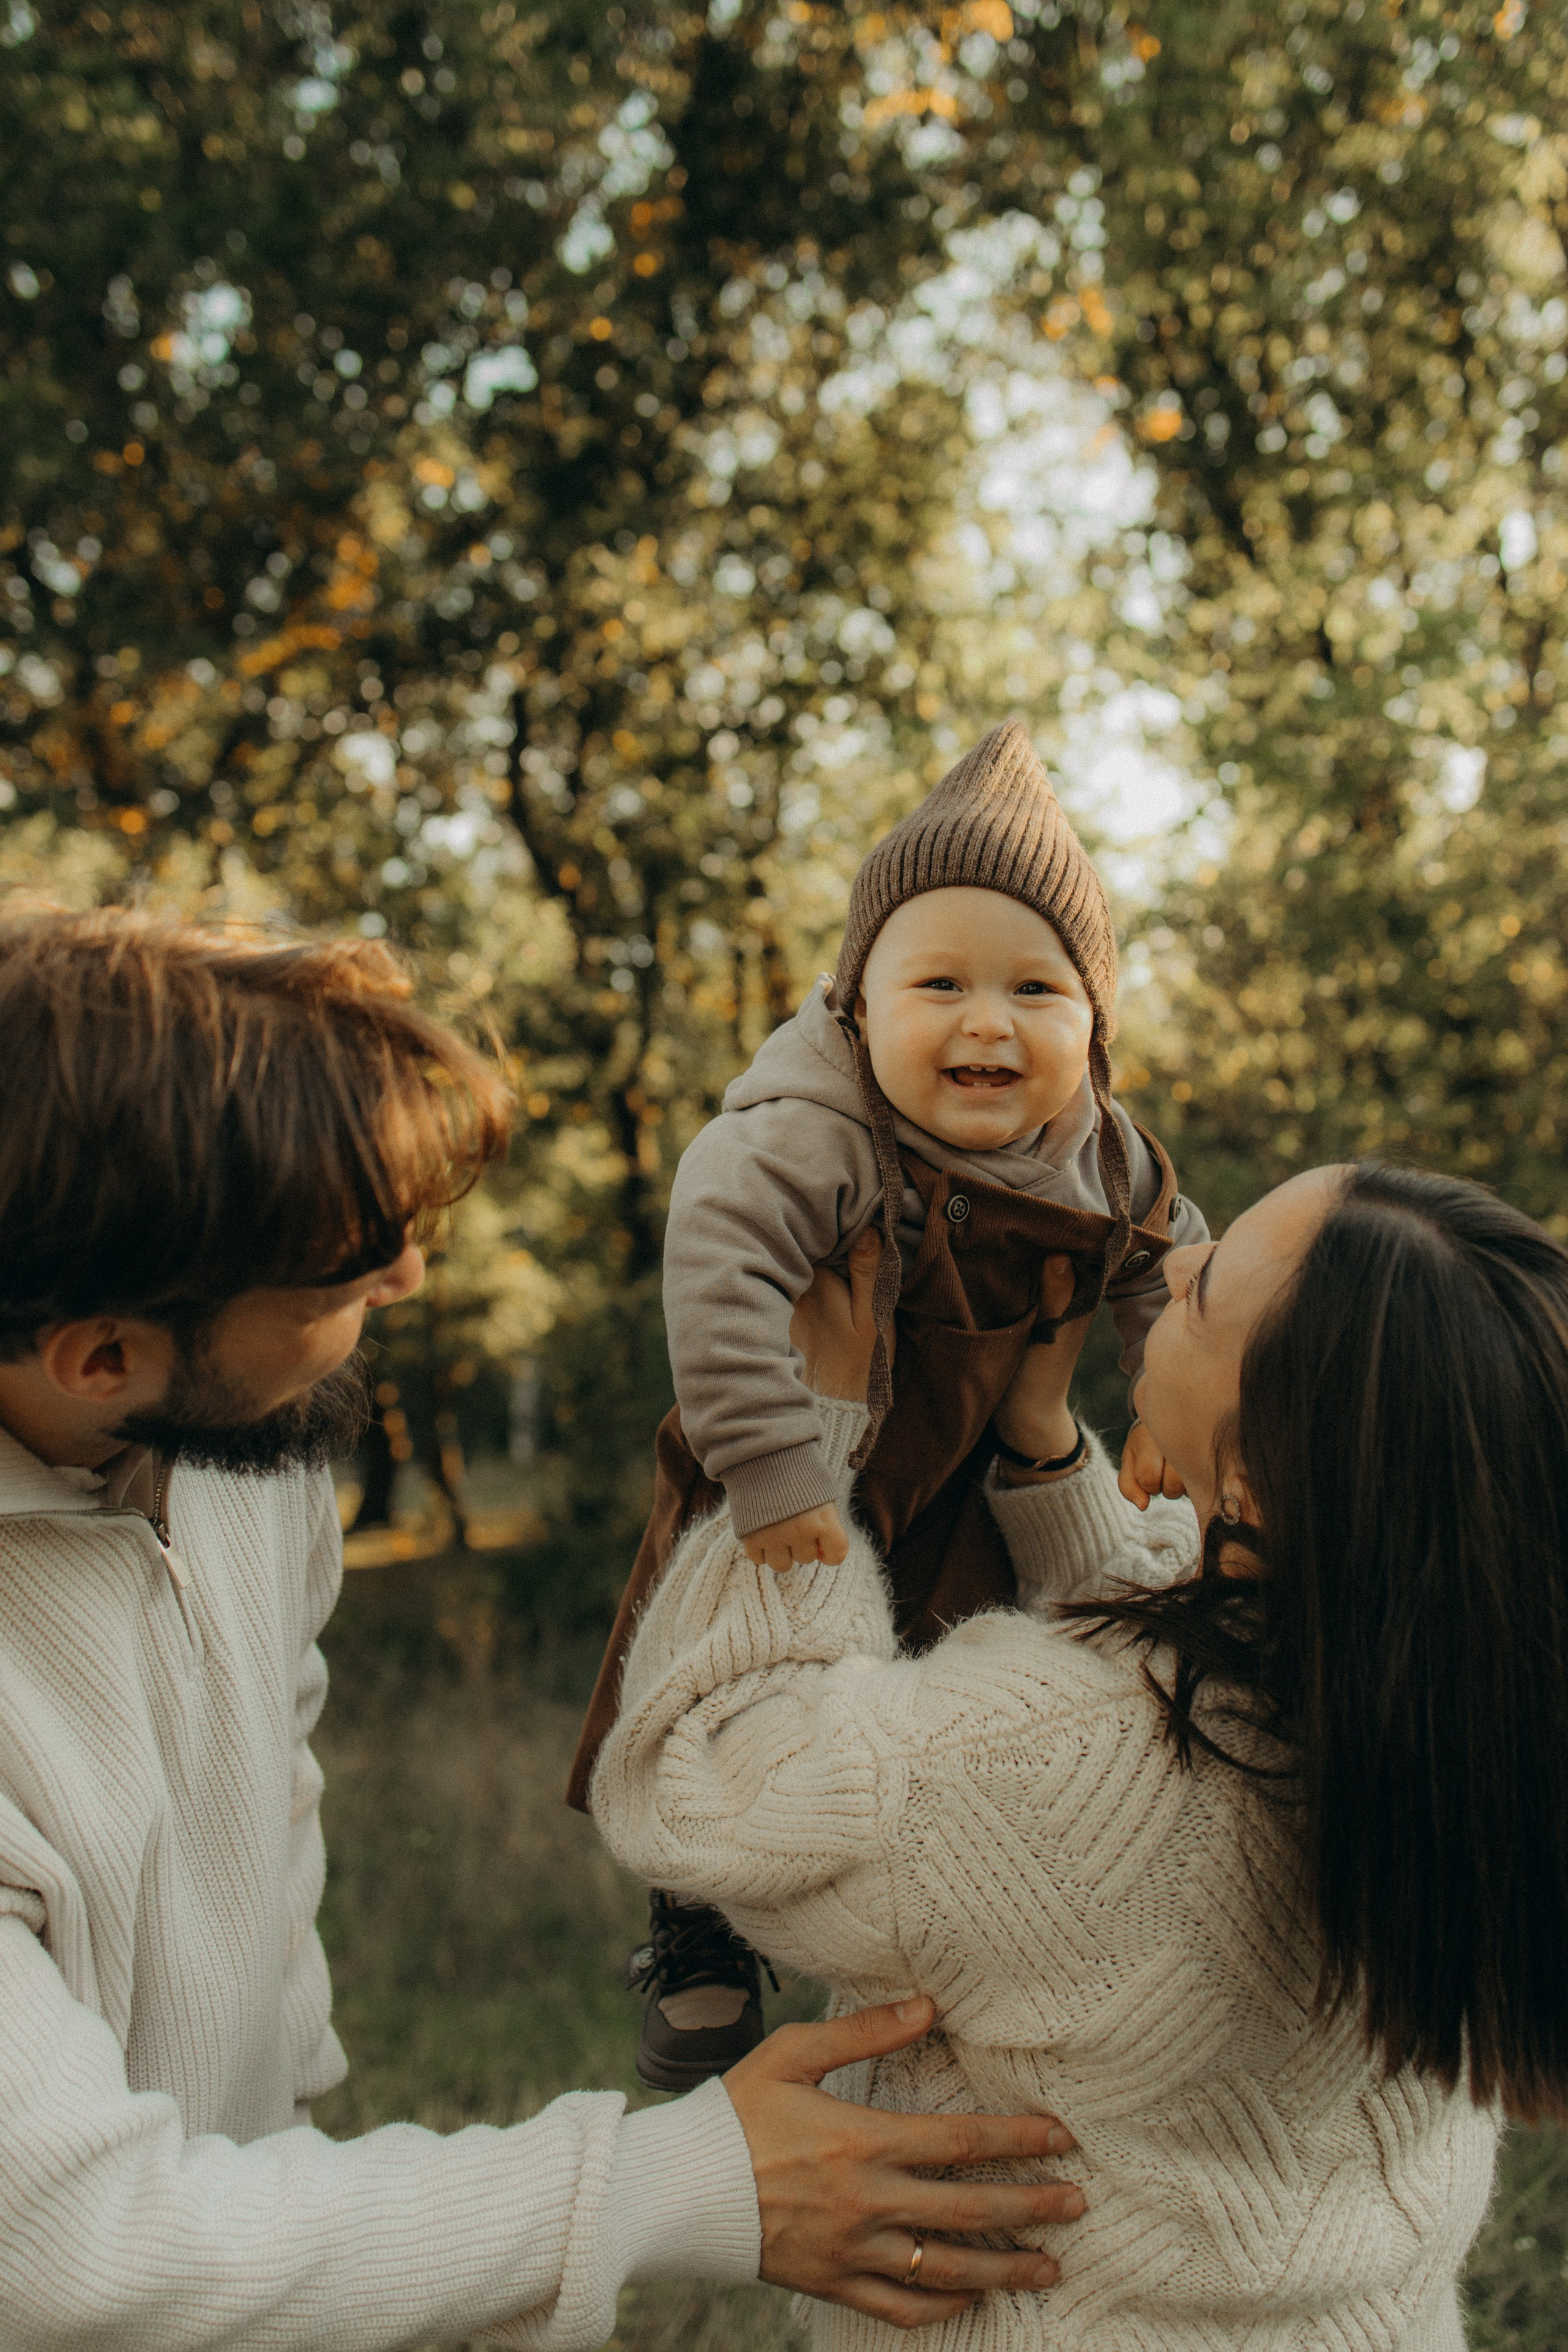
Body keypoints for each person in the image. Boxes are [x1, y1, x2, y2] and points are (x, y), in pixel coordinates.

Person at [0, 907, 1088, 2350]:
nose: (408, 1282)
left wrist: (291, 2136)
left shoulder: (241, 1458)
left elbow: (268, 1785)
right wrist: (685, 2178)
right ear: (104, 1357)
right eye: (348, 1270)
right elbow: (67, 2253)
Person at [592, 1160, 1568, 2348]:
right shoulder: (1474, 1715)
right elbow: (1183, 1611)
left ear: (1257, 1469)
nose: (1174, 1262)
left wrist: (801, 1432)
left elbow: (712, 1774)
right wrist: (1048, 1451)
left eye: (1205, 1295)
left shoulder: (1049, 1763)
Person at [568, 719, 1207, 2090]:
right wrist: (774, 1470)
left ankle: (930, 1930)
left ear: (1095, 1026)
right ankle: (695, 1923)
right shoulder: (813, 1126)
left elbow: (1169, 1267)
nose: (988, 1022)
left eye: (1038, 989)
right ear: (858, 1007)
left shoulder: (1099, 1149)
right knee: (725, 1678)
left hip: (963, 1469)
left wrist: (1163, 1407)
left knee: (940, 1706)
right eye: (939, 984)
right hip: (796, 1449)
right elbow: (718, 1266)